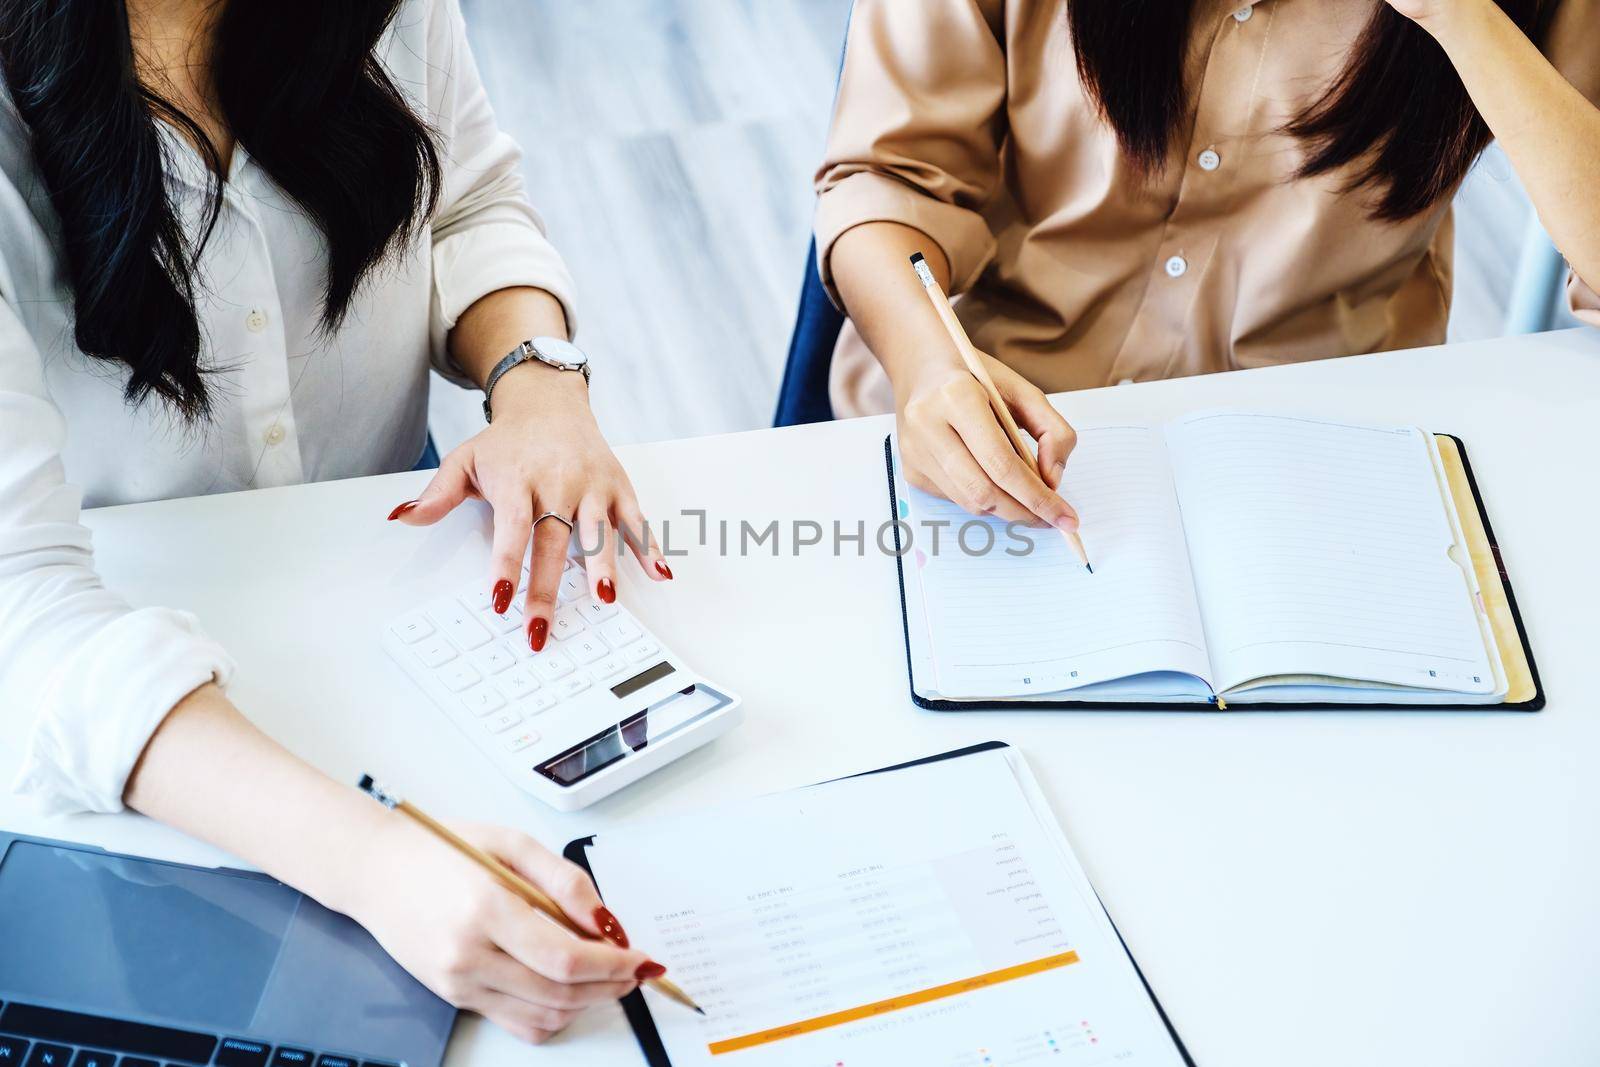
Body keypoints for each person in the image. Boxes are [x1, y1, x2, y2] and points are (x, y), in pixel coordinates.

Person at [0, 0, 671, 1045]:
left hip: (403, 584)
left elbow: (469, 203)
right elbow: (17, 606)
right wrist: (376, 862)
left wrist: (538, 384)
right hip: (129, 706)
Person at [817, 0, 1600, 529]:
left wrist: (1464, 19)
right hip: (987, 431)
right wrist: (924, 365)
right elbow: (888, 176)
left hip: (1311, 469)